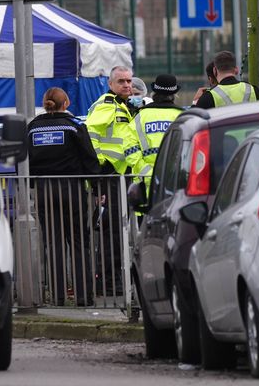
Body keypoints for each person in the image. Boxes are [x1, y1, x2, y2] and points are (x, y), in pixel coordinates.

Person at [29, 87, 101, 306]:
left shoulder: (32, 128)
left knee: (54, 243)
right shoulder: (74, 126)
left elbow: (24, 160)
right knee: (79, 242)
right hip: (72, 190)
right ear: (66, 103)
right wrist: (97, 188)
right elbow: (89, 159)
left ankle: (58, 297)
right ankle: (83, 296)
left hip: (44, 191)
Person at [85, 66, 134, 297]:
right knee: (112, 233)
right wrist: (100, 166)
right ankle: (108, 283)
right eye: (121, 81)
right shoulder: (107, 105)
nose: (126, 85)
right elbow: (90, 133)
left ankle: (113, 281)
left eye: (128, 81)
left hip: (119, 176)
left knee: (116, 232)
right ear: (111, 84)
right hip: (111, 176)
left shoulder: (122, 106)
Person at [125, 74, 185, 193]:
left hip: (144, 185)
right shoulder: (182, 116)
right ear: (174, 95)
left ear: (154, 93)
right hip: (174, 183)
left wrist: (148, 173)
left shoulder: (140, 117)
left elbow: (130, 150)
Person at [195, 51, 259, 108]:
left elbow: (191, 119)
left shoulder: (208, 97)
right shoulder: (254, 91)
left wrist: (195, 101)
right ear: (236, 70)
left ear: (214, 71)